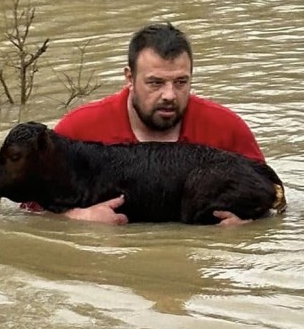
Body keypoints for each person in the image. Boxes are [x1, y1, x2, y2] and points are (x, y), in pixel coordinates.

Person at [50, 22, 269, 226]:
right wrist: (78, 218)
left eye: (181, 82)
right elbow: (30, 208)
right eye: (156, 83)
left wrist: (250, 225)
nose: (169, 95)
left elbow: (274, 199)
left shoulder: (226, 129)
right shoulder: (78, 130)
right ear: (129, 78)